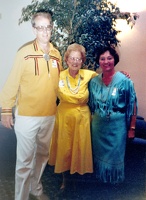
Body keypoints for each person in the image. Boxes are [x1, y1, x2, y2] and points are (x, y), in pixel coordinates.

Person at [0, 11, 62, 200]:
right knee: (25, 162)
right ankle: (21, 197)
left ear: (52, 27)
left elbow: (59, 84)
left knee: (42, 156)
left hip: (49, 115)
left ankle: (36, 188)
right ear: (34, 29)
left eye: (48, 27)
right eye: (40, 27)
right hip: (27, 116)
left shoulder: (56, 54)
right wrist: (5, 110)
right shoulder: (24, 53)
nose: (45, 32)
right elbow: (12, 82)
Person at [48, 43, 97, 192]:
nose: (75, 62)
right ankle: (64, 179)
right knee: (65, 149)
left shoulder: (89, 75)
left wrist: (124, 74)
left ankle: (76, 179)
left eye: (78, 59)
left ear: (82, 61)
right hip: (63, 117)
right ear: (67, 60)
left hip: (82, 118)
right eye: (72, 58)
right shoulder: (58, 76)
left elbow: (107, 79)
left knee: (78, 149)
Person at [88, 46, 137, 184]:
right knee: (99, 157)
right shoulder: (93, 82)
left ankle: (113, 187)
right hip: (98, 129)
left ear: (115, 59)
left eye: (109, 58)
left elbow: (132, 105)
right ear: (98, 61)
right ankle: (100, 181)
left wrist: (132, 128)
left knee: (115, 157)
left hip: (117, 128)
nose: (106, 61)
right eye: (102, 59)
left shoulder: (125, 81)